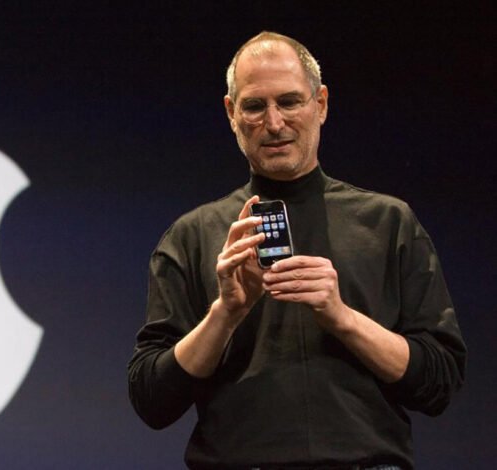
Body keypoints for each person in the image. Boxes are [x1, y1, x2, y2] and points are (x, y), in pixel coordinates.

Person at [127, 31, 466, 469]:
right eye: (254, 106)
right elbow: (151, 400)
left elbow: (439, 381)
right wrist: (225, 313)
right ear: (231, 113)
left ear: (320, 104)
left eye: (289, 102)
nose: (273, 123)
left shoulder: (388, 222)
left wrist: (341, 317)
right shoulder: (191, 236)